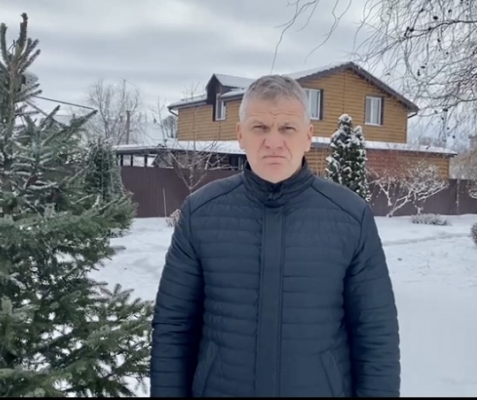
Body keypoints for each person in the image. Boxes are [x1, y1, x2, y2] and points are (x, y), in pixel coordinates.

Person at [150, 74, 400, 397]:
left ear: (308, 136)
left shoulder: (350, 217)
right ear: (240, 135)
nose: (273, 141)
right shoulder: (201, 213)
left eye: (287, 128)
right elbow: (173, 328)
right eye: (260, 127)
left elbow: (376, 334)